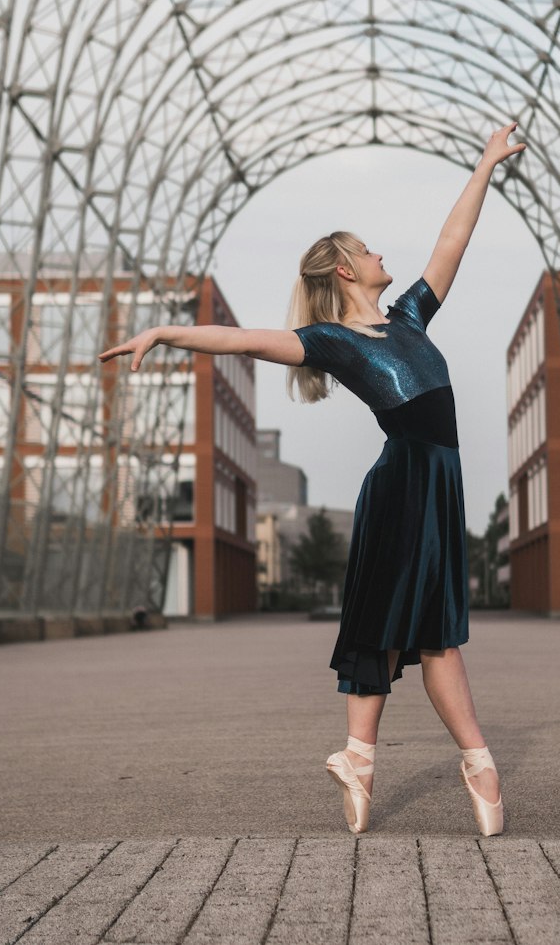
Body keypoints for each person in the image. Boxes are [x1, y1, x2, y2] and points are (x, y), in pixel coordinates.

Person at [98, 122, 525, 837]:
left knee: (428, 632)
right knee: (410, 632)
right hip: (404, 486)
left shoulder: (410, 317)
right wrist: (166, 334)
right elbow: (244, 340)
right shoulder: (330, 341)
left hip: (434, 484)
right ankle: (453, 761)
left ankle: (367, 759)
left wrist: (484, 164)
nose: (382, 251)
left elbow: (453, 241)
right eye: (367, 248)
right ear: (345, 272)